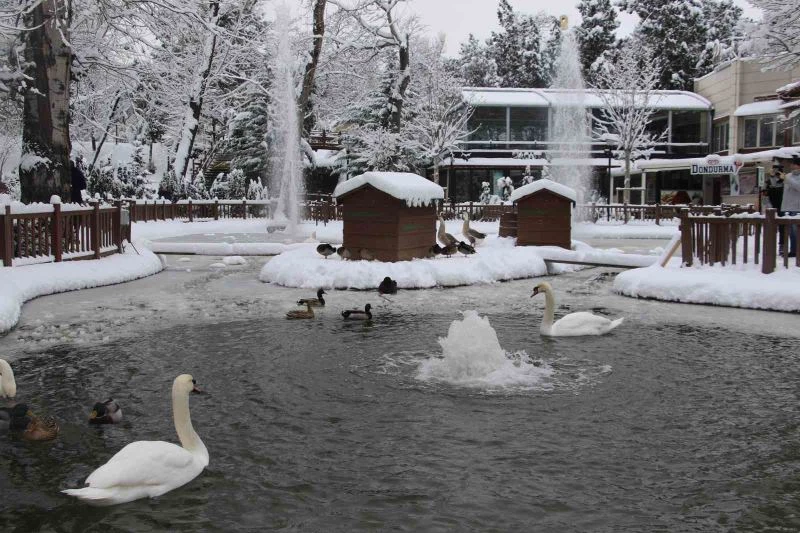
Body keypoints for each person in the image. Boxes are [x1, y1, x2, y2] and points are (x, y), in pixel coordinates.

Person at [778, 155, 800, 258]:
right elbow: (777, 187)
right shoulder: (789, 175)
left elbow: (798, 187)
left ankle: (795, 251)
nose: (792, 165)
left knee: (796, 231)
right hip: (787, 207)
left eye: (794, 164)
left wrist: (787, 179)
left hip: (797, 207)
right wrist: (775, 176)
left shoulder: (790, 177)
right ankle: (793, 250)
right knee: (791, 231)